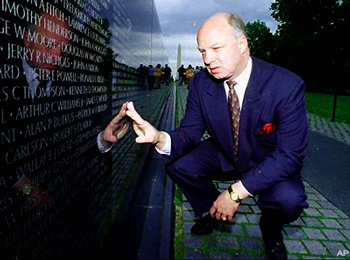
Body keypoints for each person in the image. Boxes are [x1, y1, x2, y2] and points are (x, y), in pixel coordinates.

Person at [126, 12, 308, 259]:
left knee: (290, 199)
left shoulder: (286, 86)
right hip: (225, 152)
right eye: (202, 51)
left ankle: (271, 228)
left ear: (242, 43)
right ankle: (215, 210)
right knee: (177, 164)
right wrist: (159, 137)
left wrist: (235, 192)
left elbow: (289, 156)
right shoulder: (201, 83)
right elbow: (190, 132)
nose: (207, 59)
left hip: (267, 161)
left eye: (215, 48)